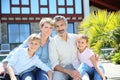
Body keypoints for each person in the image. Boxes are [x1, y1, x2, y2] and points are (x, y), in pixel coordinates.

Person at [49, 15, 90, 80]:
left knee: (86, 79)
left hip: (77, 67)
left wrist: (94, 55)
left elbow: (85, 48)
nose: (60, 28)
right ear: (55, 28)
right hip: (62, 69)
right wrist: (70, 72)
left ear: (66, 25)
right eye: (57, 26)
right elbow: (54, 65)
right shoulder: (53, 42)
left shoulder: (75, 37)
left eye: (62, 25)